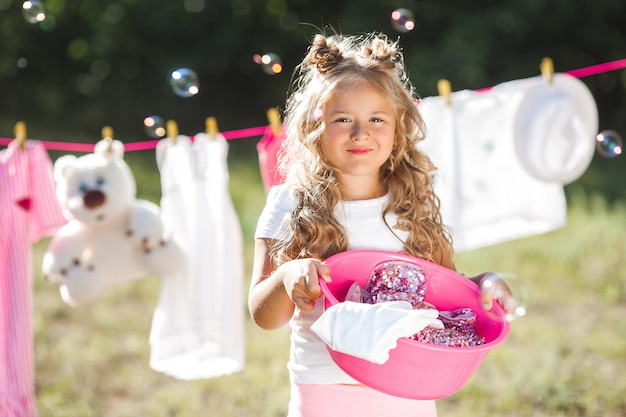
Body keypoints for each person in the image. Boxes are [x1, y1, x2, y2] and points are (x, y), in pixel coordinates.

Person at [248, 32, 516, 417]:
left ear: (398, 127)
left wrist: (484, 284)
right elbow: (262, 315)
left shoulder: (412, 206)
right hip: (326, 391)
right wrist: (287, 275)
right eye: (343, 120)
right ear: (313, 128)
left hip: (409, 391)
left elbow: (447, 298)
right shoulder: (289, 202)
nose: (361, 133)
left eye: (376, 119)